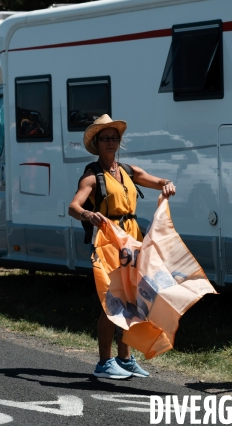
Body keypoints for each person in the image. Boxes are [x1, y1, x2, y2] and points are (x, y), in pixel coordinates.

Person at [68, 114, 176, 379]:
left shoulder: (127, 170)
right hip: (108, 242)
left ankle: (125, 359)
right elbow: (73, 207)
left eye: (114, 138)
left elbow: (157, 181)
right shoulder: (92, 176)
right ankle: (104, 362)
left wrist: (167, 184)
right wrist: (88, 215)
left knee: (132, 301)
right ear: (96, 143)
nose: (111, 142)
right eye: (105, 138)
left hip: (131, 241)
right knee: (112, 303)